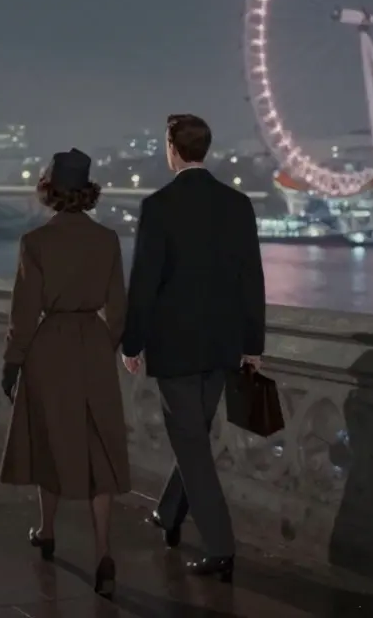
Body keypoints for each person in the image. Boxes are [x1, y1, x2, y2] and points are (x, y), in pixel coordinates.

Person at [120, 113, 266, 582]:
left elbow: (144, 284)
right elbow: (252, 280)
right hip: (223, 346)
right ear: (205, 148)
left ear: (172, 149)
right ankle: (168, 512)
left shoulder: (158, 206)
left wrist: (132, 342)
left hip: (176, 349)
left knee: (191, 446)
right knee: (194, 439)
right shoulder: (238, 204)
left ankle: (221, 545)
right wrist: (252, 343)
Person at [0, 148, 130, 598]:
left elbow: (23, 312)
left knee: (49, 439)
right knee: (99, 447)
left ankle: (47, 529)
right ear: (88, 192)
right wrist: (100, 346)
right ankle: (103, 552)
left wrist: (13, 361)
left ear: (49, 191)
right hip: (92, 346)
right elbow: (118, 309)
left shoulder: (34, 244)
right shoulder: (108, 240)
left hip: (49, 346)